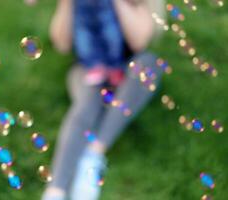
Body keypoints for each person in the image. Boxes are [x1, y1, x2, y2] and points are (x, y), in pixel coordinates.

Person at [42, 0, 165, 199]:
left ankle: (92, 154)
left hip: (127, 69)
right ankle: (55, 190)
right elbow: (62, 44)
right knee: (86, 106)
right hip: (88, 69)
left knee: (148, 65)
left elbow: (139, 42)